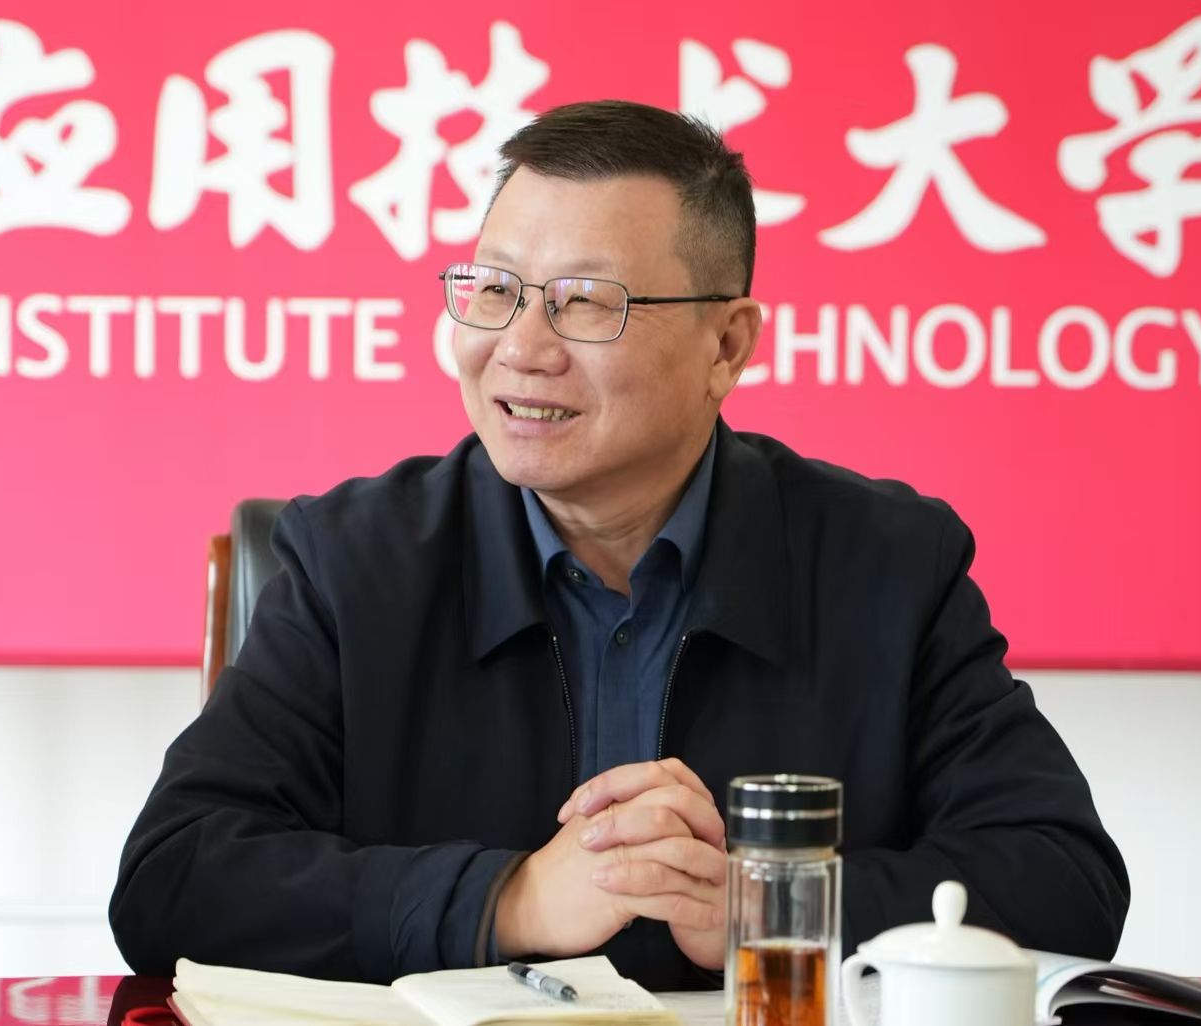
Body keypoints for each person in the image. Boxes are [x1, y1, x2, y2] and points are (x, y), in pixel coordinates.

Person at [110, 100, 1127, 990]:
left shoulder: (886, 566)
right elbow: (175, 881)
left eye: (586, 303)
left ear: (726, 345)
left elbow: (1064, 881)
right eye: (495, 289)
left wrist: (762, 908)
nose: (520, 347)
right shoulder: (353, 561)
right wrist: (507, 899)